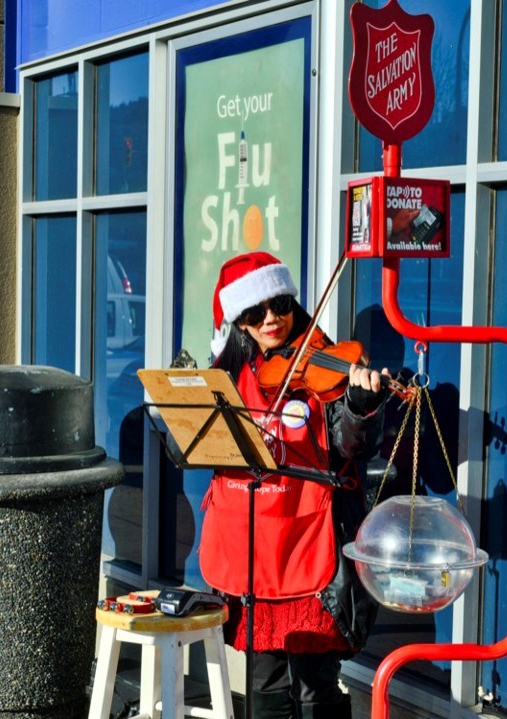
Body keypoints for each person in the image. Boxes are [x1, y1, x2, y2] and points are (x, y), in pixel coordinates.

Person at [199, 251, 391, 719]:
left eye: (281, 305)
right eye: (255, 312)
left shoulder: (326, 364)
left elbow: (350, 444)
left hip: (310, 539)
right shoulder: (225, 378)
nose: (272, 319)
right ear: (239, 324)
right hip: (252, 543)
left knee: (314, 685)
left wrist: (362, 406)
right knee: (263, 679)